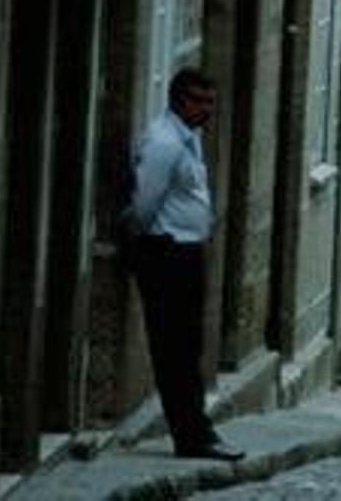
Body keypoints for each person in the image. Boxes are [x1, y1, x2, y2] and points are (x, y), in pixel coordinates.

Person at [120, 67, 244, 462]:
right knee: (175, 348)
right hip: (167, 253)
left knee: (187, 346)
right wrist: (147, 242)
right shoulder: (165, 143)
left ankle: (195, 431)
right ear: (179, 100)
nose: (207, 109)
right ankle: (192, 434)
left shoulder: (187, 138)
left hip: (184, 252)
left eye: (211, 102)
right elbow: (144, 205)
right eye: (200, 101)